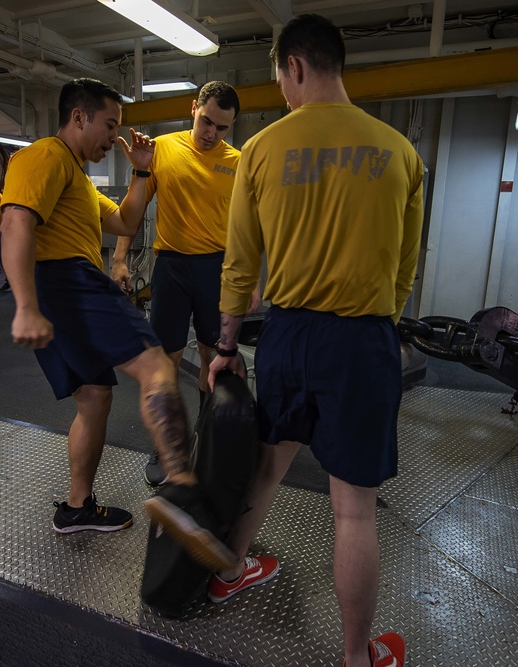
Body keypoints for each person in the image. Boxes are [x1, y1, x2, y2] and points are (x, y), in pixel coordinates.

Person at [207, 14, 423, 667]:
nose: (284, 94)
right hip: (362, 337)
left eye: (281, 80)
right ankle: (358, 657)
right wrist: (375, 316)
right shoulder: (401, 153)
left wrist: (222, 347)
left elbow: (240, 264)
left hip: (286, 332)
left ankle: (231, 567)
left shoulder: (263, 151)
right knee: (353, 510)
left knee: (268, 463)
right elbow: (405, 267)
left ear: (295, 65)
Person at [0, 78, 236, 572]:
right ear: (79, 116)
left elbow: (127, 222)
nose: (114, 137)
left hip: (63, 285)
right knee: (157, 365)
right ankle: (180, 492)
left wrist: (143, 174)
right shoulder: (43, 155)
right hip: (66, 279)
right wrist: (24, 305)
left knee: (94, 396)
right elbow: (16, 222)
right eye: (110, 126)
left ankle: (76, 508)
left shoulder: (78, 179)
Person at [111, 80, 261, 487]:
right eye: (206, 120)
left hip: (218, 269)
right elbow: (136, 205)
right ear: (194, 107)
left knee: (216, 358)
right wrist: (120, 257)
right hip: (172, 268)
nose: (211, 133)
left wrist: (252, 279)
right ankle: (168, 444)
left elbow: (250, 226)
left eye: (222, 127)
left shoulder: (239, 161)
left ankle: (208, 438)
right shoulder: (162, 148)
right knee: (168, 361)